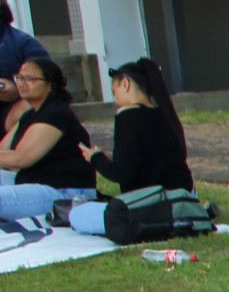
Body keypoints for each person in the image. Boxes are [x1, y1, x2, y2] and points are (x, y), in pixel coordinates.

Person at [78, 57, 194, 194]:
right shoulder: (164, 114)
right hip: (184, 197)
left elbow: (123, 174)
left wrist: (95, 157)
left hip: (152, 201)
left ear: (125, 83)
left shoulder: (128, 115)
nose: (116, 100)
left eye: (114, 92)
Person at [0, 57, 95, 220]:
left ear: (50, 85)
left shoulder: (55, 114)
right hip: (34, 182)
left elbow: (21, 159)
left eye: (30, 79)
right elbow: (3, 150)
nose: (22, 83)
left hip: (64, 192)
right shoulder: (30, 115)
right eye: (19, 78)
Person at [0, 0, 48, 117]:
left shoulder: (23, 43)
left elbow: (46, 79)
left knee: (30, 107)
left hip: (13, 107)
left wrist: (17, 88)